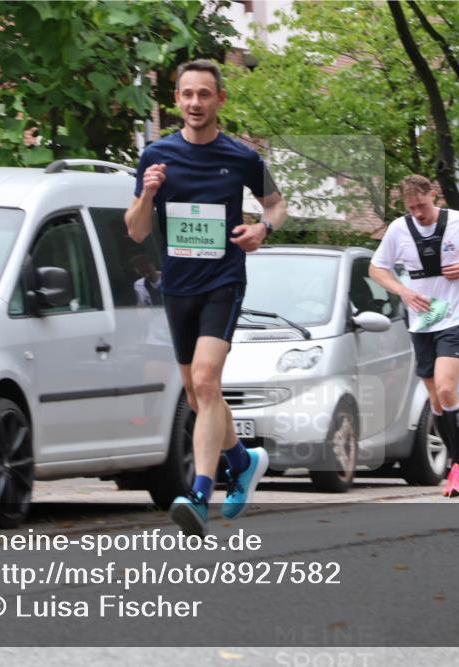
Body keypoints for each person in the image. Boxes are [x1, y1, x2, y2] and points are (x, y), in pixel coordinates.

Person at [125, 59, 288, 535]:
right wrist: (147, 196)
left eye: (204, 94)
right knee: (200, 397)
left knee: (204, 377)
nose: (195, 102)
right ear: (176, 100)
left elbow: (277, 205)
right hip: (176, 286)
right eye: (187, 94)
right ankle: (241, 458)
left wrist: (262, 228)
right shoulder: (157, 156)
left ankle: (199, 492)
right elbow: (135, 233)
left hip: (223, 281)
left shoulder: (241, 157)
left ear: (220, 100)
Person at [369, 175, 459, 496]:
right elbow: (377, 268)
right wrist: (402, 291)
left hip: (454, 317)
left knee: (445, 386)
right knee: (436, 399)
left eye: (422, 206)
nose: (418, 213)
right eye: (412, 208)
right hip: (422, 320)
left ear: (433, 195)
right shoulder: (400, 228)